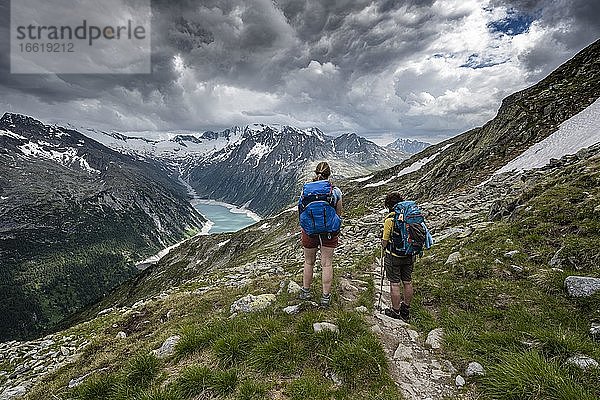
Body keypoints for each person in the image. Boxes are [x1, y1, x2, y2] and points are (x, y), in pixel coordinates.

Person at [298, 162, 343, 306]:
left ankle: (305, 291)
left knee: (308, 262)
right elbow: (338, 213)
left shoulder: (306, 190)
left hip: (309, 231)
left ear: (315, 173)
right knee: (326, 264)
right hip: (329, 232)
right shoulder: (335, 191)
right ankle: (325, 298)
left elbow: (301, 211)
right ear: (329, 175)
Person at [381, 192, 414, 321]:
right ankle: (406, 309)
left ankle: (395, 311)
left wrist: (383, 245)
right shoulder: (408, 217)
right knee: (407, 282)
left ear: (389, 206)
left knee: (394, 284)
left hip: (394, 255)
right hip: (408, 254)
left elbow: (385, 241)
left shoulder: (390, 220)